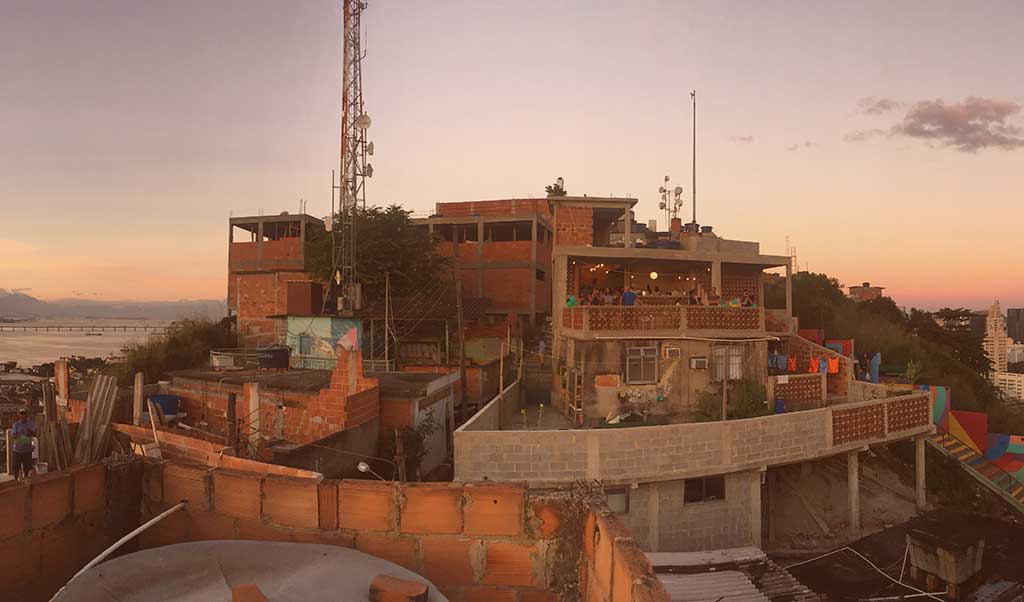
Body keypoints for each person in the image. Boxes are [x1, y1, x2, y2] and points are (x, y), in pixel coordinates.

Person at [12, 409, 36, 480]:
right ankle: (16, 480)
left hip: (27, 450)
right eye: (21, 417)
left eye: (24, 417)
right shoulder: (16, 425)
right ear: (19, 417)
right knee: (16, 467)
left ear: (27, 417)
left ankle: (25, 479)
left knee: (27, 467)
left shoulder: (30, 424)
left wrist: (29, 431)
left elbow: (35, 434)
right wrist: (18, 435)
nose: (22, 418)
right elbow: (13, 436)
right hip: (17, 450)